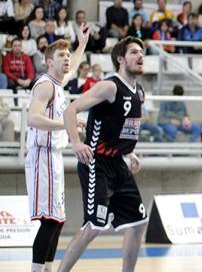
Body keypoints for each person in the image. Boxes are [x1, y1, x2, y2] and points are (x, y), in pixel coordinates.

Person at [58, 37, 148, 272]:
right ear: (120, 59)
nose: (140, 57)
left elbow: (123, 127)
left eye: (142, 53)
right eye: (134, 53)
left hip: (118, 163)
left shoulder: (139, 92)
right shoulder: (110, 86)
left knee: (138, 222)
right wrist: (76, 143)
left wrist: (130, 152)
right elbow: (70, 109)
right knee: (94, 227)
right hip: (96, 163)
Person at [24, 26, 88, 272]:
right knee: (49, 221)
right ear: (49, 62)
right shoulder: (45, 86)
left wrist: (81, 44)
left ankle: (48, 268)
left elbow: (74, 65)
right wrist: (67, 123)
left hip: (54, 156)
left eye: (68, 55)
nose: (67, 59)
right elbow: (32, 118)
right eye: (62, 56)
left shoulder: (59, 84)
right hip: (42, 155)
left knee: (58, 221)